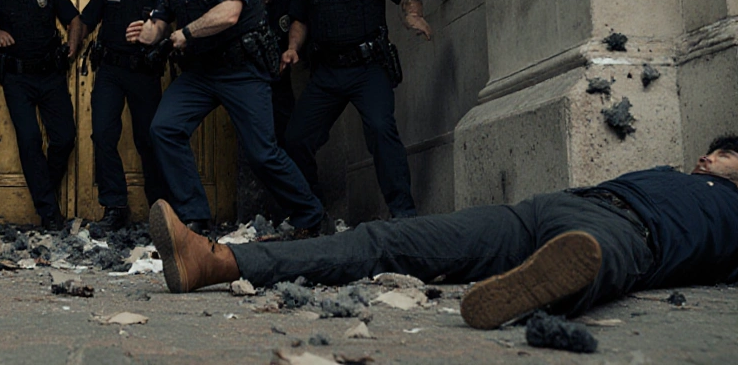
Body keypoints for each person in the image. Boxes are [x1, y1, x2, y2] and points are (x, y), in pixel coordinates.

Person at [149, 135, 738, 330]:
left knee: (597, 257)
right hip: (539, 213)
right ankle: (217, 261)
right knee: (386, 241)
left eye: (723, 155)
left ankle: (548, 285)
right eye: (709, 152)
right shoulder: (669, 173)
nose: (706, 158)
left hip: (632, 234)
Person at [127, 0, 322, 237]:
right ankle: (195, 218)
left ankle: (310, 214)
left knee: (262, 154)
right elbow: (161, 21)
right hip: (201, 72)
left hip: (241, 71)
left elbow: (230, 13)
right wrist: (149, 32)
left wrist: (186, 33)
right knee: (164, 128)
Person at [281, 0, 432, 219]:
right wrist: (293, 48)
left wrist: (412, 15)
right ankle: (312, 214)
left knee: (380, 129)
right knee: (295, 138)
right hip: (327, 73)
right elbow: (299, 18)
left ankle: (404, 214)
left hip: (368, 69)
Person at [0, 0, 85, 230]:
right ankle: (49, 212)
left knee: (65, 137)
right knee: (29, 139)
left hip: (51, 75)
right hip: (17, 79)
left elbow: (74, 19)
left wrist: (73, 45)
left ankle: (43, 189)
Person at [79, 0, 170, 231]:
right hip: (110, 70)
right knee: (103, 134)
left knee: (149, 139)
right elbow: (87, 19)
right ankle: (115, 206)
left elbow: (173, 27)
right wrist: (73, 45)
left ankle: (160, 208)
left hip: (144, 72)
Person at [251, 0, 296, 155]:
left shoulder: (285, 7)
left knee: (287, 135)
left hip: (280, 83)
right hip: (254, 82)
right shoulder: (244, 9)